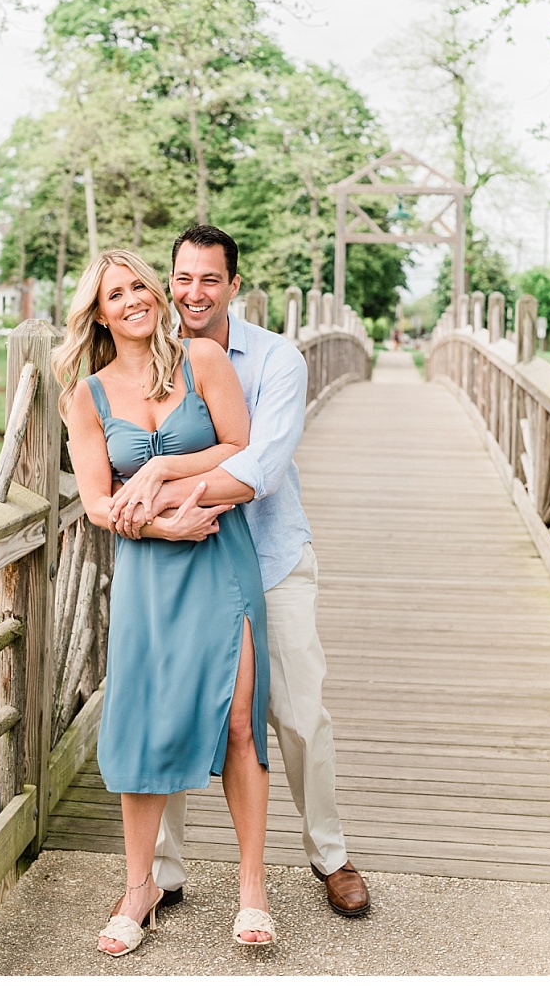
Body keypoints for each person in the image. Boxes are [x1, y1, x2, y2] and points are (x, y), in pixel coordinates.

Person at [108, 224, 370, 918]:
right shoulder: (148, 352)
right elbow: (107, 463)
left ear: (234, 286)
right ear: (169, 282)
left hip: (270, 556)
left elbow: (260, 469)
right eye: (183, 279)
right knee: (167, 707)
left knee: (298, 713)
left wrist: (155, 482)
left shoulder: (278, 359)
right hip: (179, 563)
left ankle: (330, 855)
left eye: (210, 280)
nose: (194, 293)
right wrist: (142, 500)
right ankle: (161, 873)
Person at [51, 249, 275, 955]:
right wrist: (161, 525)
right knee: (143, 722)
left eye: (139, 287)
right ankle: (138, 888)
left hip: (221, 559)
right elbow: (96, 503)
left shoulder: (202, 361)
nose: (133, 301)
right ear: (99, 315)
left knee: (239, 723)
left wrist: (161, 469)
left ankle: (252, 889)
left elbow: (240, 447)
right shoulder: (85, 398)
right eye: (114, 295)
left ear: (156, 294)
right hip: (148, 570)